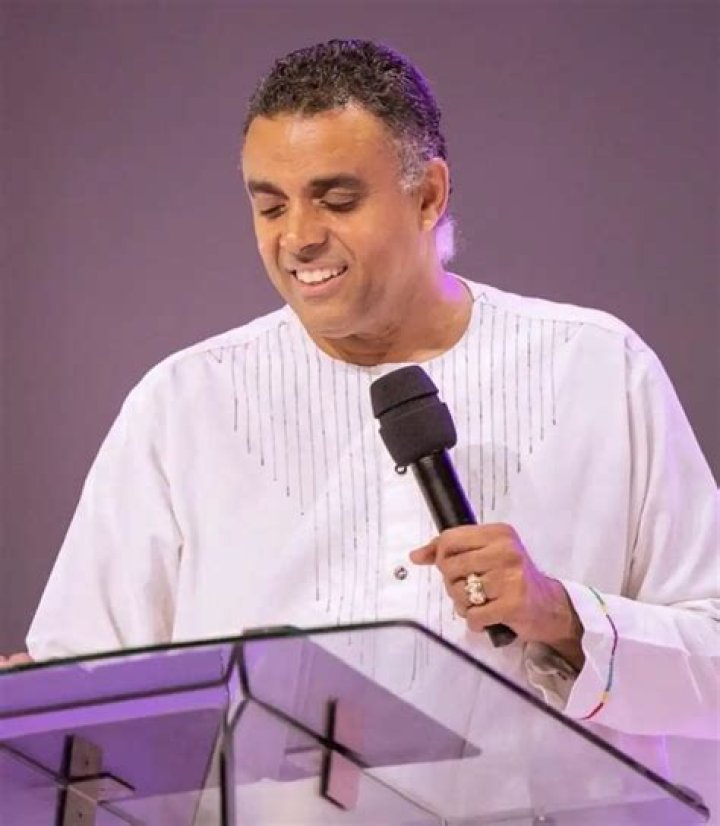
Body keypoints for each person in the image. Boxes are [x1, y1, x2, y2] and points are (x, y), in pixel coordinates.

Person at [3, 38, 718, 763]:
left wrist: (562, 615)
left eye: (337, 200)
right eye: (270, 206)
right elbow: (80, 704)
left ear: (428, 195)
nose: (298, 238)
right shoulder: (184, 405)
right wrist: (43, 707)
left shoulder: (596, 369)